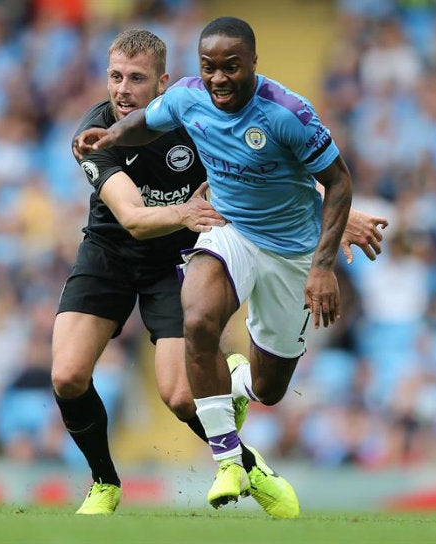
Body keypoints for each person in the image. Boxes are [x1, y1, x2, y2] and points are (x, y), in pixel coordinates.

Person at [66, 27, 387, 516]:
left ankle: (241, 408)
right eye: (114, 77)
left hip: (221, 245)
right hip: (130, 249)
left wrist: (339, 222)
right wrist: (110, 140)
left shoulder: (267, 111)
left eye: (136, 78)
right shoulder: (109, 126)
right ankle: (150, 476)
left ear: (163, 82)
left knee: (213, 394)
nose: (122, 90)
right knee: (71, 374)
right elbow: (131, 218)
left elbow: (280, 175)